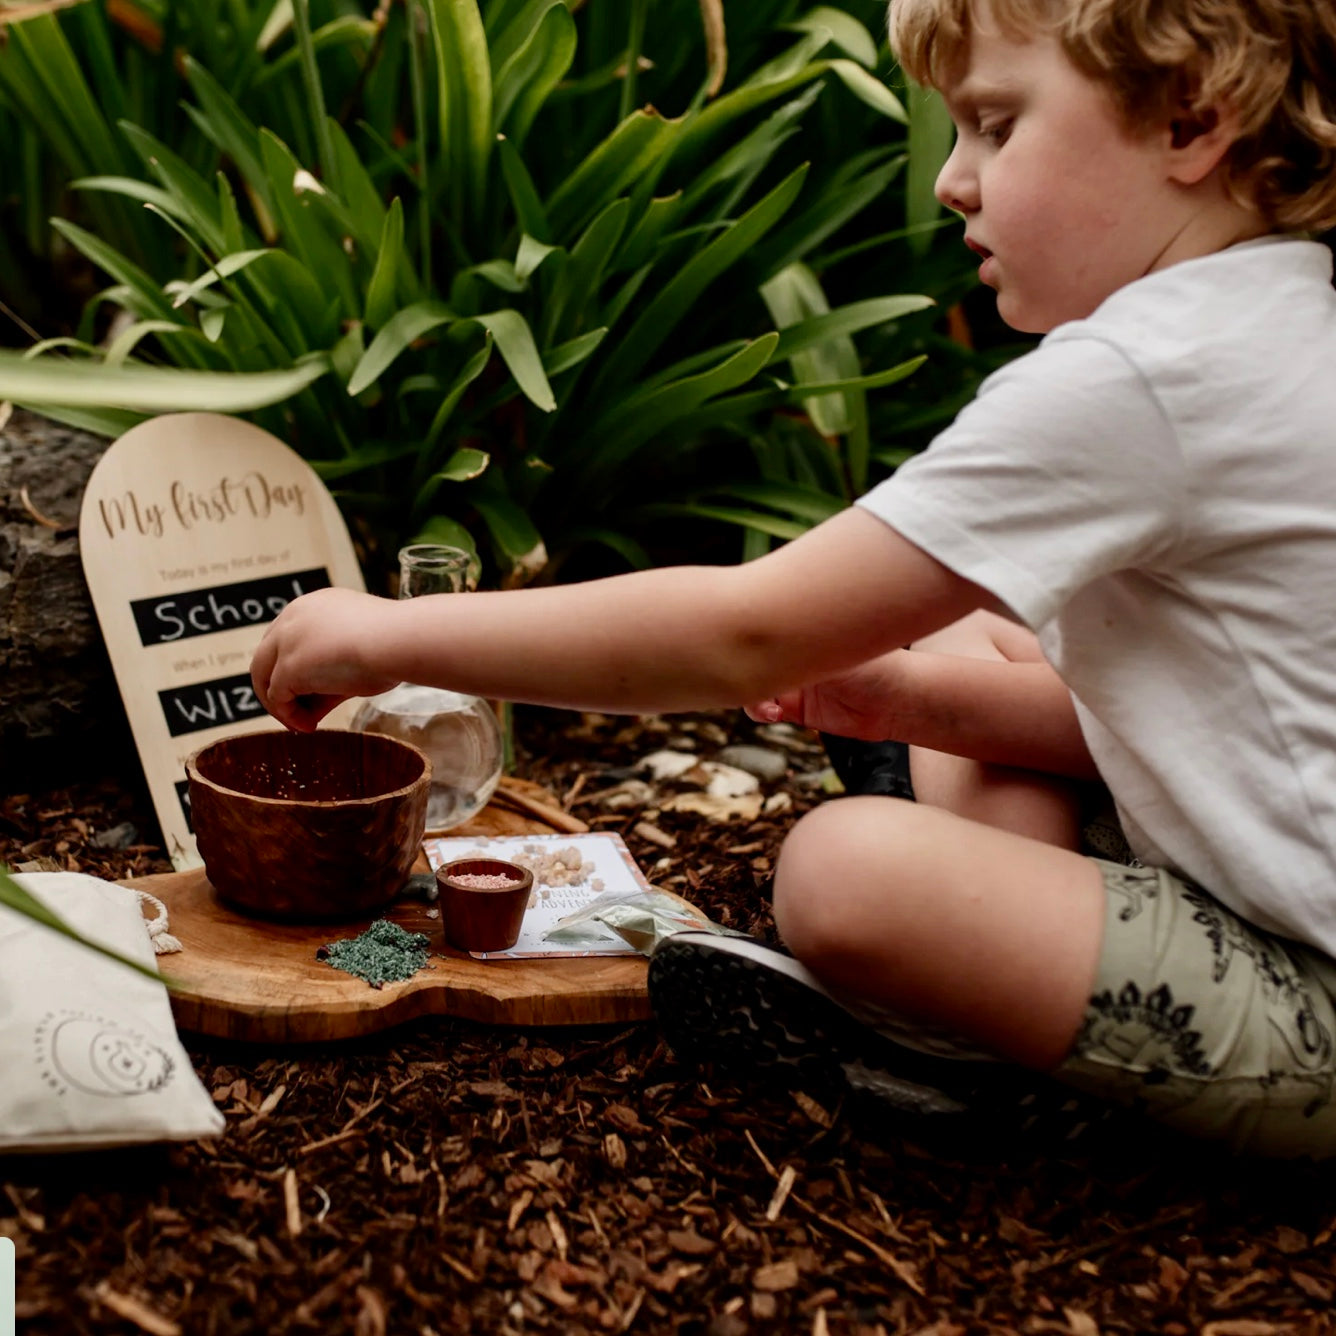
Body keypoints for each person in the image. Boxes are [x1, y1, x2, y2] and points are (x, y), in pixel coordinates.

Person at [252, 0, 1336, 1157]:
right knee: (962, 649)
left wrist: (394, 634)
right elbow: (1203, 724)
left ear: (1190, 121)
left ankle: (996, 1060)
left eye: (994, 125)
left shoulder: (1143, 374)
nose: (951, 182)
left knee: (842, 873)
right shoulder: (1274, 317)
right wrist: (898, 700)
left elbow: (743, 632)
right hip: (1270, 862)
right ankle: (977, 1015)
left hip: (1310, 992)